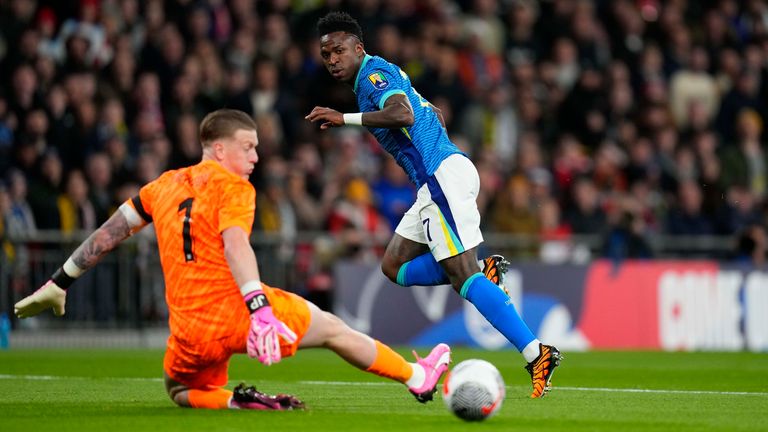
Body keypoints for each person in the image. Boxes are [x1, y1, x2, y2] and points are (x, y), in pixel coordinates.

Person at [14, 109, 451, 410]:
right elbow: (236, 244)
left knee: (179, 389)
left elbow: (108, 233)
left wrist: (59, 282)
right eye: (248, 147)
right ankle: (417, 377)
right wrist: (259, 308)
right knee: (334, 329)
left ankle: (231, 399)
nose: (256, 157)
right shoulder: (234, 187)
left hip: (187, 328)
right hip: (238, 311)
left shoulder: (162, 186)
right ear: (219, 149)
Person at [305, 12, 561, 399]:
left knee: (463, 277)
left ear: (359, 48)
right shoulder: (377, 76)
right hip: (438, 180)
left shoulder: (373, 76)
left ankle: (535, 352)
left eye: (339, 50)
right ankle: (484, 273)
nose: (333, 59)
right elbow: (419, 109)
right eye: (326, 55)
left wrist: (345, 119)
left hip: (439, 175)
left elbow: (402, 113)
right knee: (393, 266)